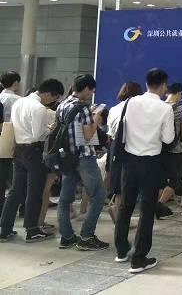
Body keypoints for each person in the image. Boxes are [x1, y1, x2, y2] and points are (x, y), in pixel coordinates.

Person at [114, 68, 174, 274]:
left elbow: (122, 129)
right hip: (150, 163)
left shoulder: (131, 102)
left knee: (125, 206)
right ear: (163, 86)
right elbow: (168, 139)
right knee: (146, 211)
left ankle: (122, 250)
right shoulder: (165, 108)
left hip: (129, 161)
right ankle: (139, 259)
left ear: (146, 83)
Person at [0, 79, 64, 243]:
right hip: (33, 151)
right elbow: (38, 135)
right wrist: (50, 128)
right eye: (54, 98)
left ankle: (4, 229)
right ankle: (32, 230)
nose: (52, 101)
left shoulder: (19, 102)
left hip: (18, 149)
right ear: (48, 94)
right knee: (34, 192)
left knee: (15, 191)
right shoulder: (39, 108)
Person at [55, 74, 109, 251]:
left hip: (66, 157)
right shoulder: (83, 108)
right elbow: (88, 134)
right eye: (91, 91)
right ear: (86, 89)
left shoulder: (62, 105)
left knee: (65, 198)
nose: (91, 94)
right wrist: (96, 117)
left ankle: (67, 237)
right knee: (98, 195)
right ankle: (86, 236)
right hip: (84, 156)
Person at [106, 81, 143, 224]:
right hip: (130, 146)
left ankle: (117, 209)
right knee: (128, 183)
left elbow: (110, 133)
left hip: (115, 146)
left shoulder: (113, 109)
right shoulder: (137, 109)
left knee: (119, 184)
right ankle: (121, 216)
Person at [157, 82, 182, 220]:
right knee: (176, 179)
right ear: (180, 93)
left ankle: (158, 206)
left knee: (161, 179)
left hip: (160, 149)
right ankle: (159, 206)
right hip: (176, 150)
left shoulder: (159, 106)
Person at [0, 71, 22, 213]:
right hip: (10, 140)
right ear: (15, 83)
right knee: (13, 177)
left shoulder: (1, 97)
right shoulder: (18, 100)